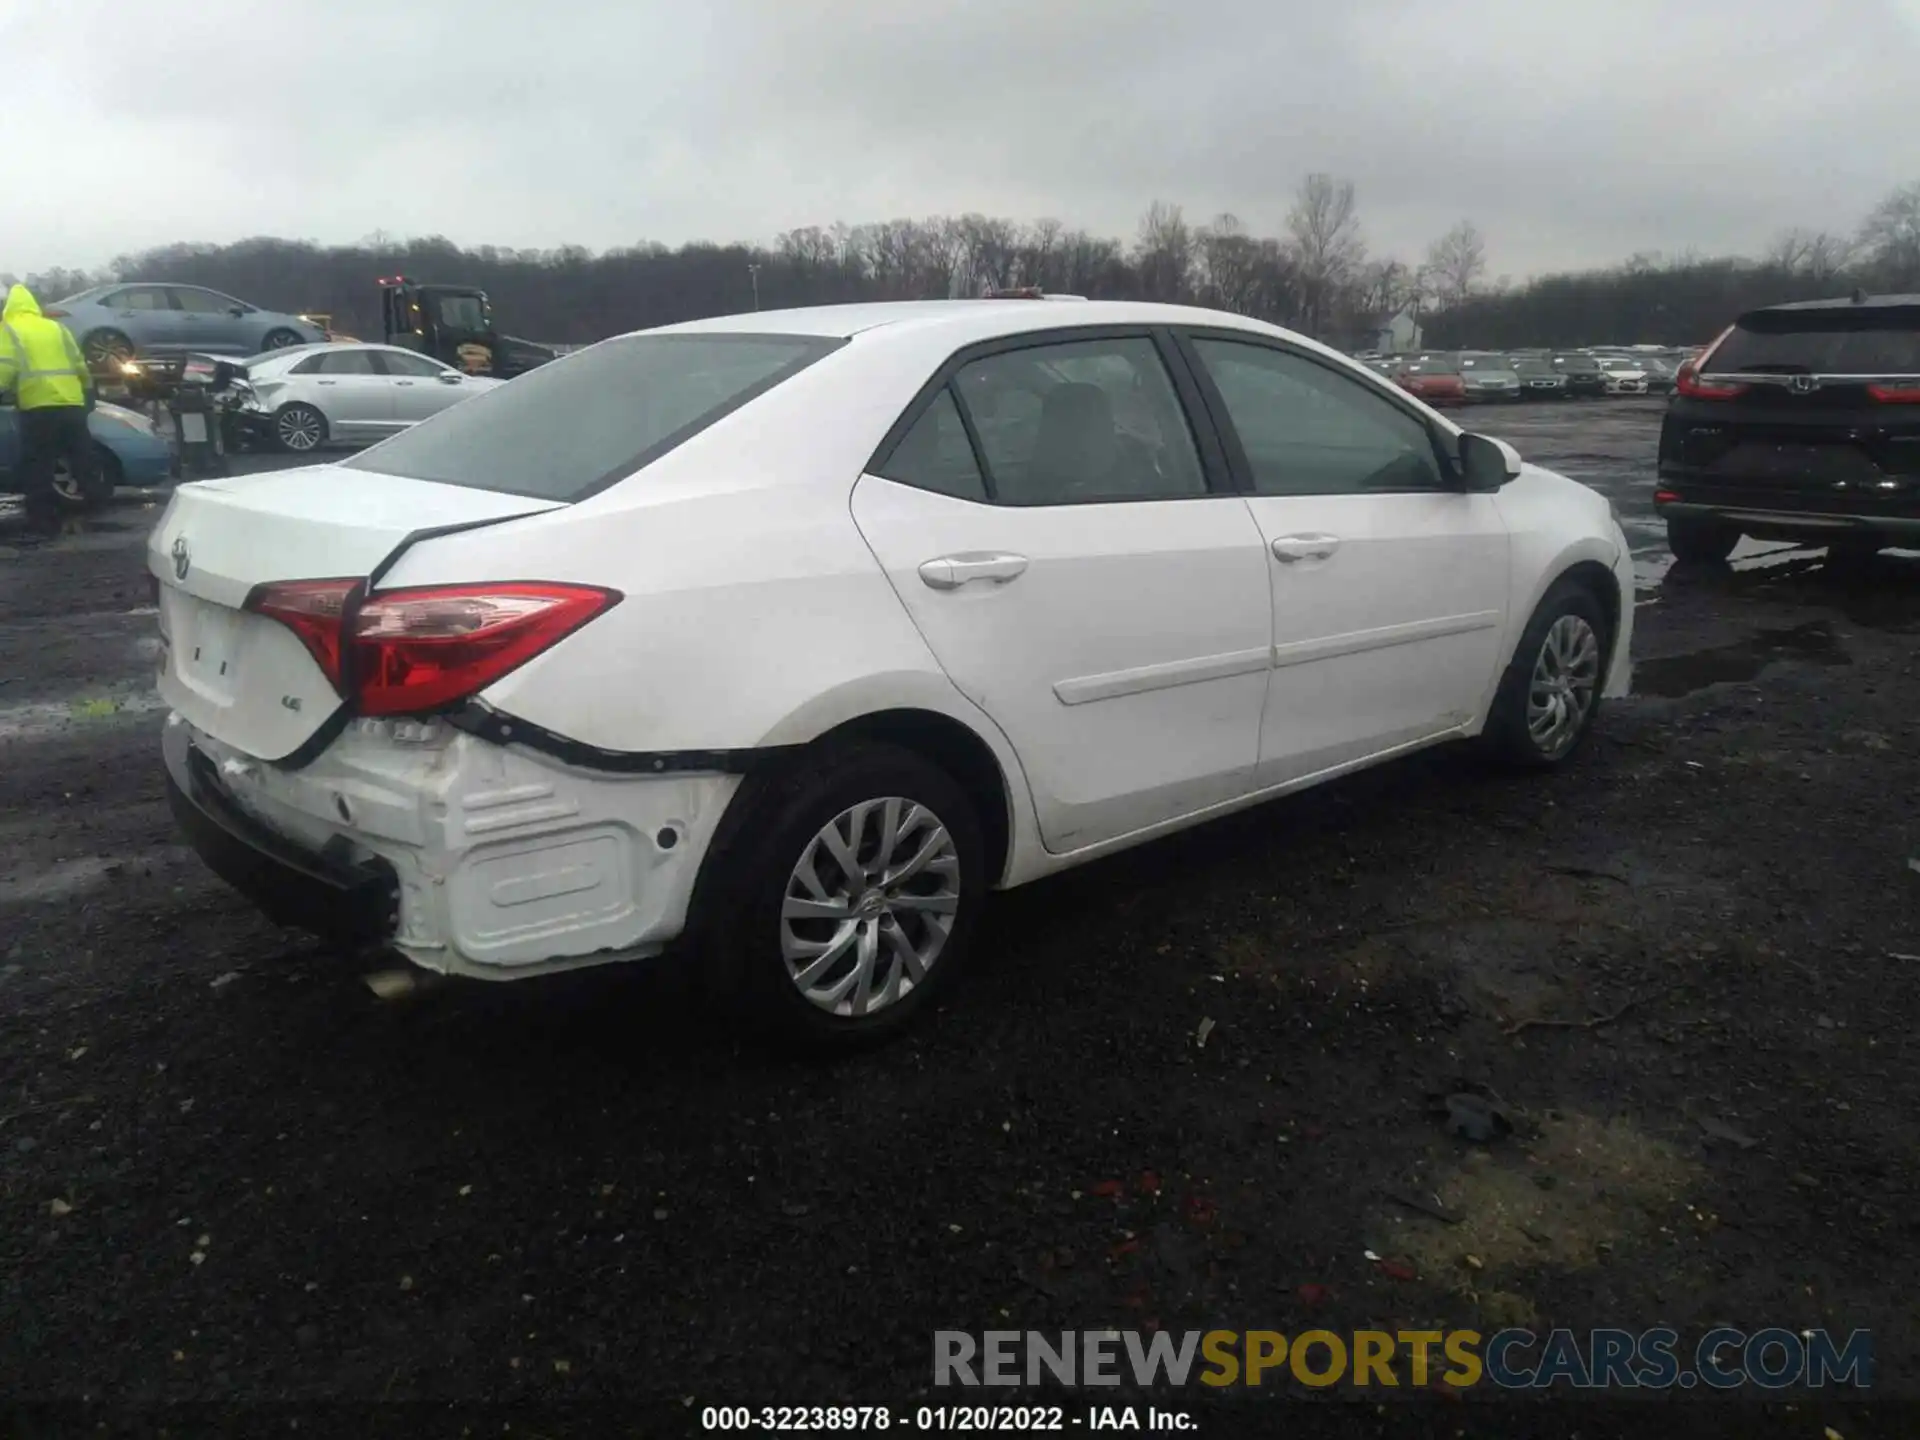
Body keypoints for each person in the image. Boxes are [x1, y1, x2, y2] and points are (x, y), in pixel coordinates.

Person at [0, 283, 95, 540]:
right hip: (72, 404)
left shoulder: (8, 329)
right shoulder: (57, 328)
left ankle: (42, 520)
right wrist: (88, 394)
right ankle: (88, 508)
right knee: (81, 459)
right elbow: (79, 364)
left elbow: (5, 369)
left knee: (39, 463)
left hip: (39, 407)